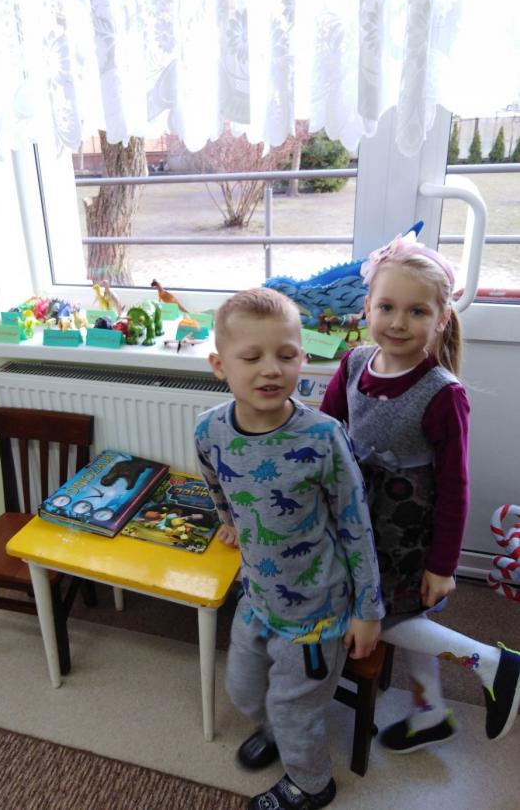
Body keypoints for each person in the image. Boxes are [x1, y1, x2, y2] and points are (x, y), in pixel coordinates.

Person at [320, 234, 520, 753]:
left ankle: (493, 664)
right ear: (368, 306)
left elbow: (456, 487)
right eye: (387, 307)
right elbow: (324, 430)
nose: (398, 322)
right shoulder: (354, 364)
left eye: (417, 311)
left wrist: (442, 565)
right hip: (359, 517)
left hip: (405, 534)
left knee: (386, 618)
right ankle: (430, 711)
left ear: (441, 319)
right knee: (406, 617)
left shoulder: (442, 393)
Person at [194, 288, 384, 810]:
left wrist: (368, 611)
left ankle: (311, 784)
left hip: (317, 612)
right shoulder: (209, 429)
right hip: (257, 597)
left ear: (303, 358)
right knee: (243, 690)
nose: (270, 370)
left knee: (295, 707)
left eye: (285, 355)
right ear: (220, 365)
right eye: (251, 357)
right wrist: (229, 522)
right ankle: (277, 729)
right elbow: (216, 482)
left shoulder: (324, 437)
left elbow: (357, 525)